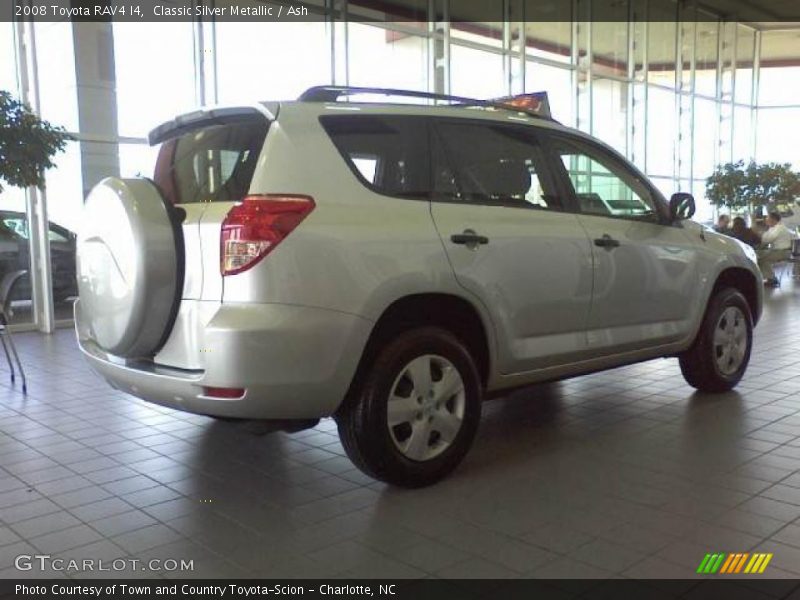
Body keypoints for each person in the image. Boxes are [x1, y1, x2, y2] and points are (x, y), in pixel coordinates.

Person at [757, 211, 794, 287]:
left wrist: (761, 234)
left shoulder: (779, 228)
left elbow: (767, 240)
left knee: (762, 259)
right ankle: (770, 278)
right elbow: (765, 239)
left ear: (773, 219)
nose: (766, 219)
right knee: (760, 256)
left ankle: (772, 279)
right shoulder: (773, 228)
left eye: (768, 217)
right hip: (778, 251)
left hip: (783, 252)